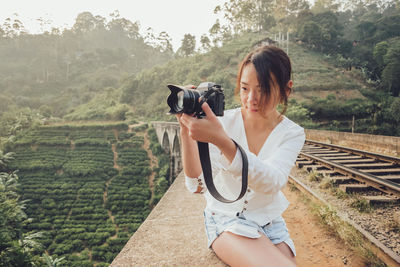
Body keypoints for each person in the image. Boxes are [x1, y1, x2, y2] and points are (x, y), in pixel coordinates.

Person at [176, 45, 305, 266]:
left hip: (271, 223)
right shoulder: (222, 122)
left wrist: (223, 142)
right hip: (226, 219)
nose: (252, 99)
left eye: (263, 89)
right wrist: (186, 130)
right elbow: (196, 186)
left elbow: (272, 182)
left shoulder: (293, 133)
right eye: (245, 89)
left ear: (287, 89)